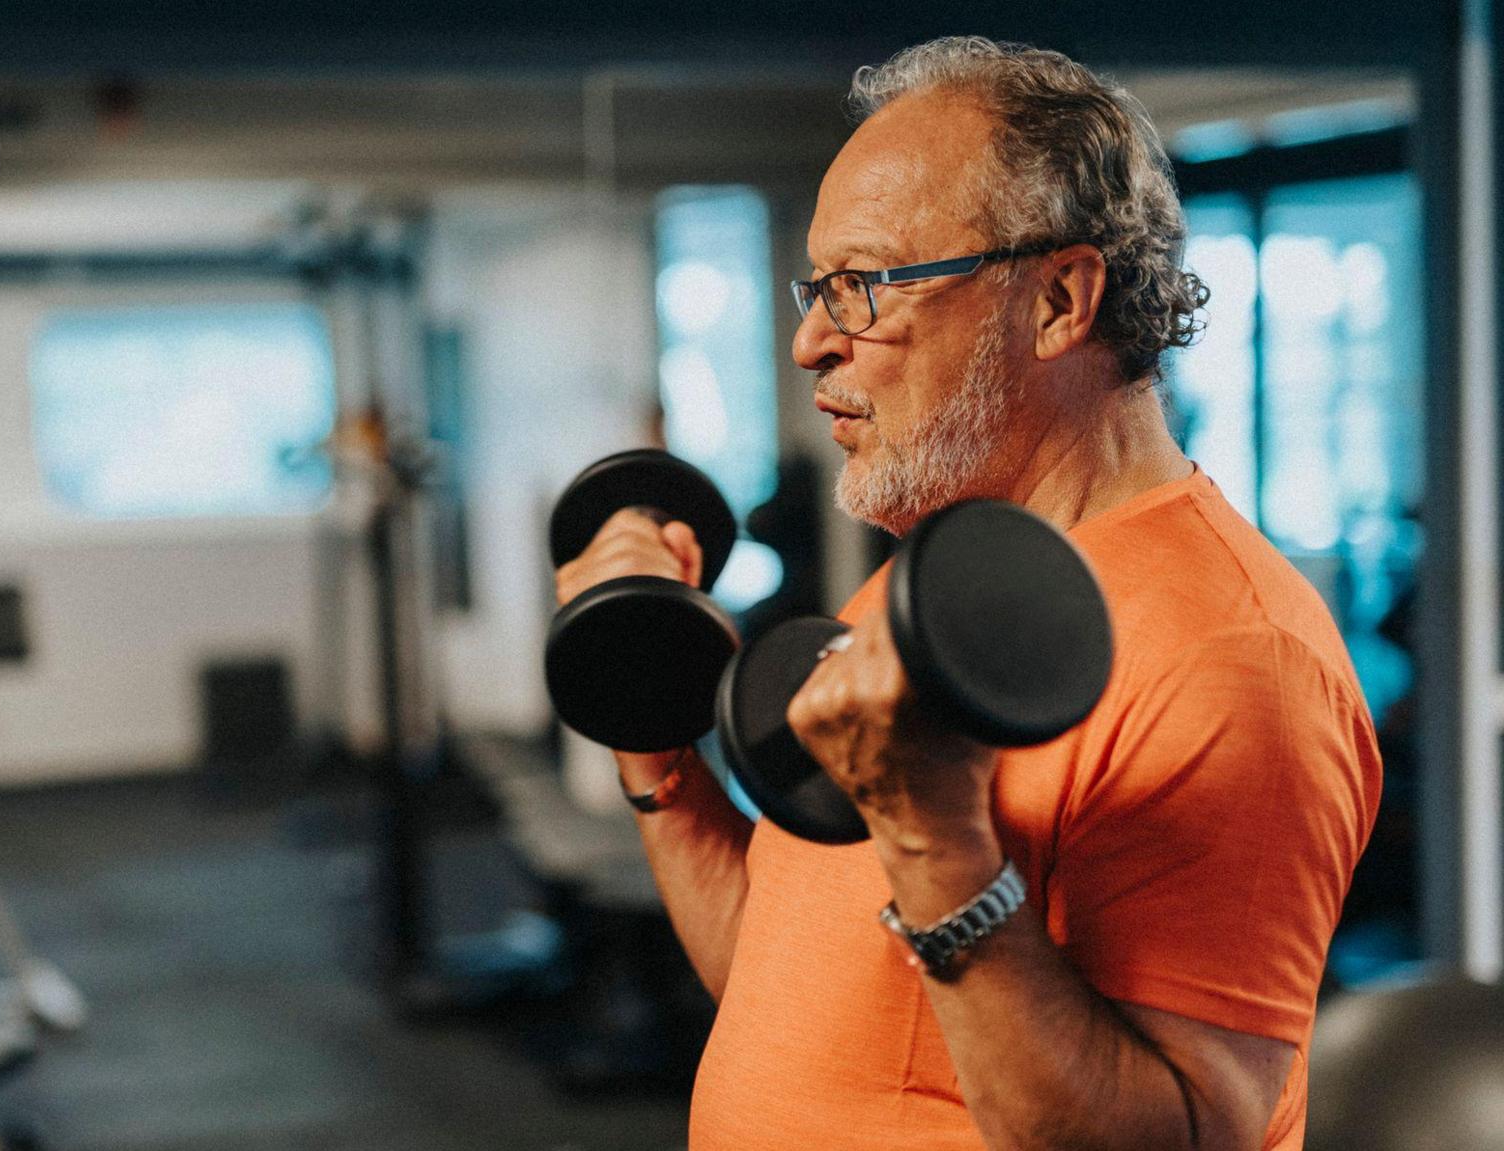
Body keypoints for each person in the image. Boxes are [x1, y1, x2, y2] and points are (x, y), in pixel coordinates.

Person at [555, 37, 1380, 1151]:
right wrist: (652, 732)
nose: (807, 342)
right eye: (816, 289)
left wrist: (931, 833)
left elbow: (1184, 1131)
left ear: (1056, 299)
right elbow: (785, 985)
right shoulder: (932, 583)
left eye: (859, 288)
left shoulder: (1230, 654)